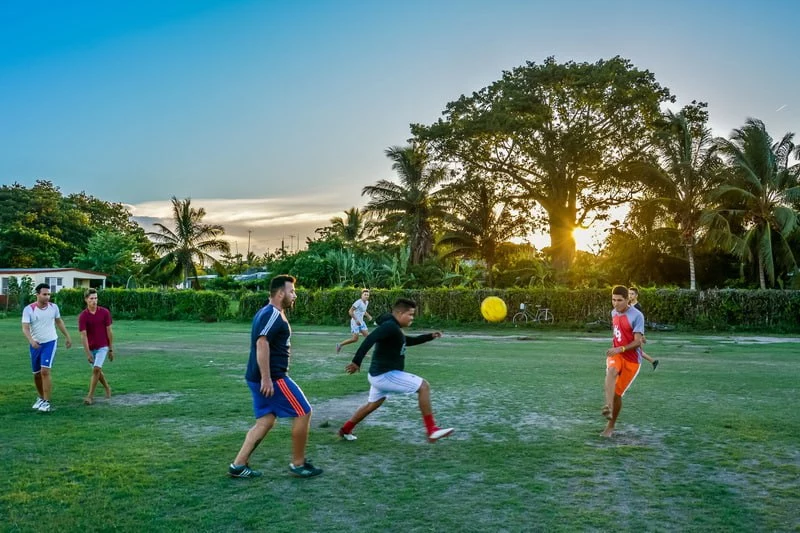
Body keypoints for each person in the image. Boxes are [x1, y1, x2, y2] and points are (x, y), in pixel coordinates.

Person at [228, 275, 323, 479]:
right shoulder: (272, 313)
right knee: (303, 412)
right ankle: (298, 464)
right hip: (273, 378)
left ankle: (238, 465)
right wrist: (267, 378)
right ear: (281, 293)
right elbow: (262, 343)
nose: (294, 295)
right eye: (292, 291)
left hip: (258, 377)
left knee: (265, 421)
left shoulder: (269, 312)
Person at [338, 298, 454, 443]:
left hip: (379, 375)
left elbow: (408, 341)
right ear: (399, 313)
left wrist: (429, 337)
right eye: (410, 314)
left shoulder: (394, 329)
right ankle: (432, 430)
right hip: (385, 375)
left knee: (371, 405)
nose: (412, 318)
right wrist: (356, 361)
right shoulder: (390, 327)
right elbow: (370, 339)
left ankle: (345, 430)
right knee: (424, 386)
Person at [601, 285, 645, 438]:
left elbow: (638, 342)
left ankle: (611, 426)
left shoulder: (637, 315)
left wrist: (622, 348)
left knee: (617, 394)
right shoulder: (613, 312)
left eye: (620, 300)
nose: (616, 303)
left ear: (628, 300)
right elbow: (619, 332)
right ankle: (607, 406)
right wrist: (617, 348)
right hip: (616, 354)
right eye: (613, 300)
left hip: (632, 360)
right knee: (611, 371)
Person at [22, 283, 72, 413]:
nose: (47, 297)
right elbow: (25, 327)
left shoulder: (53, 308)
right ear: (37, 295)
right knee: (36, 374)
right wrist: (31, 341)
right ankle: (40, 397)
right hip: (35, 345)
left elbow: (59, 321)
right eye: (44, 294)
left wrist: (67, 336)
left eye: (49, 294)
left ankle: (47, 402)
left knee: (45, 371)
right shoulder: (29, 309)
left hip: (50, 342)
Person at [78, 288, 114, 405]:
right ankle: (107, 387)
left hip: (102, 346)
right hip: (91, 347)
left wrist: (110, 348)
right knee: (97, 371)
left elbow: (109, 331)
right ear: (86, 300)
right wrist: (88, 353)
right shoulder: (83, 316)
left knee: (96, 369)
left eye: (96, 298)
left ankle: (90, 396)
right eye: (92, 298)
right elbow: (83, 335)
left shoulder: (105, 312)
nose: (94, 301)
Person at [628, 287, 659, 370]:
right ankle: (653, 361)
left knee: (635, 350)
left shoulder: (638, 307)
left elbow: (639, 322)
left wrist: (642, 335)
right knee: (635, 350)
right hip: (629, 331)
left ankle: (651, 362)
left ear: (636, 295)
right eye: (629, 294)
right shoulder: (628, 305)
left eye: (632, 294)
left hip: (635, 332)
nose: (630, 295)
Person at [335, 289, 373, 353]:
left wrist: (368, 316)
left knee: (368, 337)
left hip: (361, 322)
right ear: (362, 295)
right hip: (355, 322)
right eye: (365, 295)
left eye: (367, 295)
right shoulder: (358, 302)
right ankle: (339, 345)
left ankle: (363, 352)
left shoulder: (366, 302)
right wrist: (356, 320)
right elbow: (350, 311)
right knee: (355, 339)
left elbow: (363, 311)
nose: (366, 296)